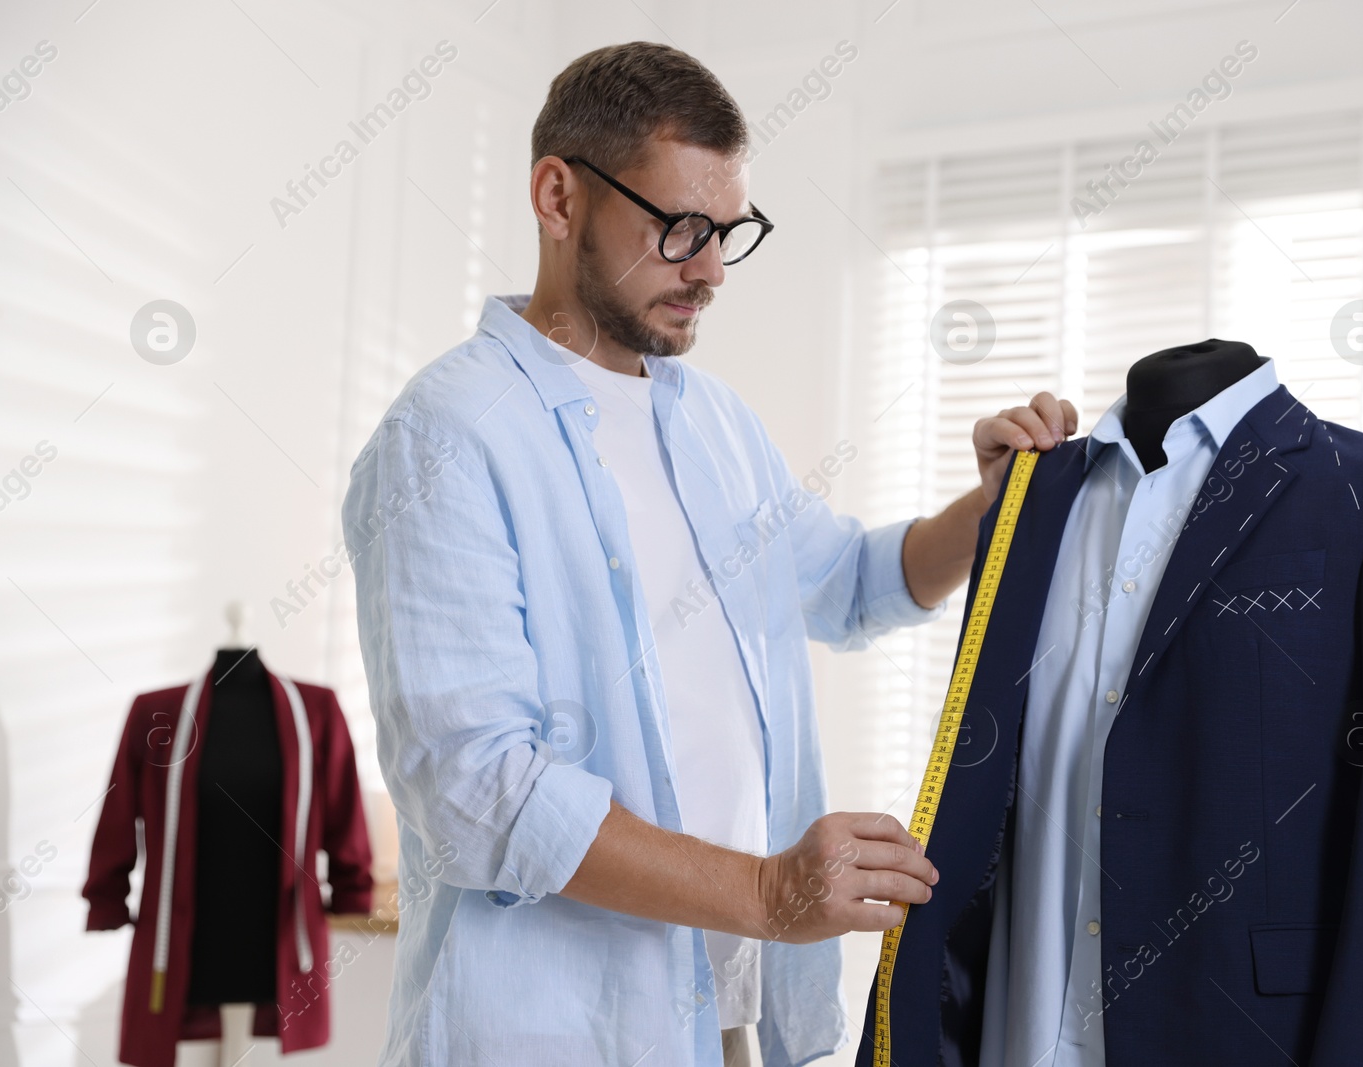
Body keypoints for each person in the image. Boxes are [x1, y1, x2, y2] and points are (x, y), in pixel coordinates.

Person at [341, 40, 1077, 1067]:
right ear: (557, 196)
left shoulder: (713, 422)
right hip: (558, 1033)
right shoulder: (448, 436)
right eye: (680, 228)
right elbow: (478, 789)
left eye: (728, 232)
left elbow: (850, 584)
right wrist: (770, 892)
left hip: (732, 1015)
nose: (711, 270)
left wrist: (987, 508)